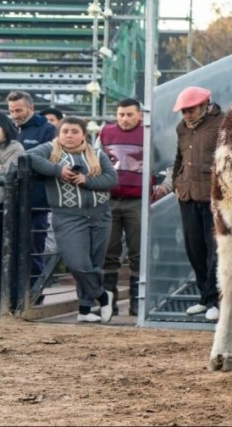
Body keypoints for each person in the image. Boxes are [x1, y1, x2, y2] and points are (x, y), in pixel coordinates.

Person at [27, 116, 117, 323]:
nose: (69, 135)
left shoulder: (98, 154)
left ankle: (85, 309)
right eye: (65, 131)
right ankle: (103, 296)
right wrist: (58, 170)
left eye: (74, 131)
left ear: (83, 135)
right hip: (67, 216)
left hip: (100, 213)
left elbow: (112, 179)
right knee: (77, 263)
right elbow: (28, 157)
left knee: (94, 262)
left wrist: (87, 180)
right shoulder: (49, 150)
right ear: (59, 133)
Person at [165, 86, 222, 321]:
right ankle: (204, 297)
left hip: (214, 196)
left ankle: (215, 299)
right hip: (187, 195)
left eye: (191, 110)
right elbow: (179, 157)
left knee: (215, 250)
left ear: (205, 105)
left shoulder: (223, 123)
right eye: (184, 111)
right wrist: (177, 182)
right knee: (194, 248)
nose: (187, 115)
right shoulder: (182, 128)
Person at [7, 91, 57, 298]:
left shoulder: (47, 130)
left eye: (19, 110)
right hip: (10, 201)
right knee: (10, 249)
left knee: (34, 248)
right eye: (11, 111)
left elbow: (51, 161)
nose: (15, 115)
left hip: (36, 201)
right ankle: (13, 293)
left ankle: (34, 293)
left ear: (31, 108)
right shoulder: (8, 129)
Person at [98, 98, 145, 316]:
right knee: (109, 251)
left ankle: (137, 302)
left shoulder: (148, 133)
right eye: (120, 114)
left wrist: (164, 186)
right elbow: (96, 161)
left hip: (137, 200)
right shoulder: (106, 132)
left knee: (137, 251)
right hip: (110, 199)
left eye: (129, 114)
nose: (124, 119)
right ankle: (109, 301)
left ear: (140, 115)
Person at [0, 112, 25, 316]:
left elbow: (9, 172)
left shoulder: (16, 147)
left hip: (7, 210)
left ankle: (7, 302)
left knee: (6, 257)